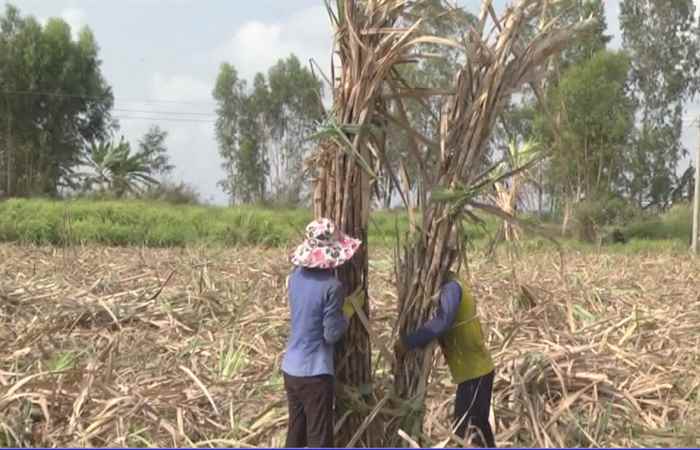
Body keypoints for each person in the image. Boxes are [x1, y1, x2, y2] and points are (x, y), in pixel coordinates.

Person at [395, 230, 496, 448]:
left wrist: (408, 342)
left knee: (465, 429)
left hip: (475, 371)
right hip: (473, 369)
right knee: (478, 428)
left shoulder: (451, 288)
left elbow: (442, 322)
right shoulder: (449, 284)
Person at [281, 218, 365, 448]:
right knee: (319, 438)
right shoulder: (332, 287)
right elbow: (331, 334)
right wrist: (347, 312)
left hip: (291, 369)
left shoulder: (295, 277)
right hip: (314, 374)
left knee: (296, 434)